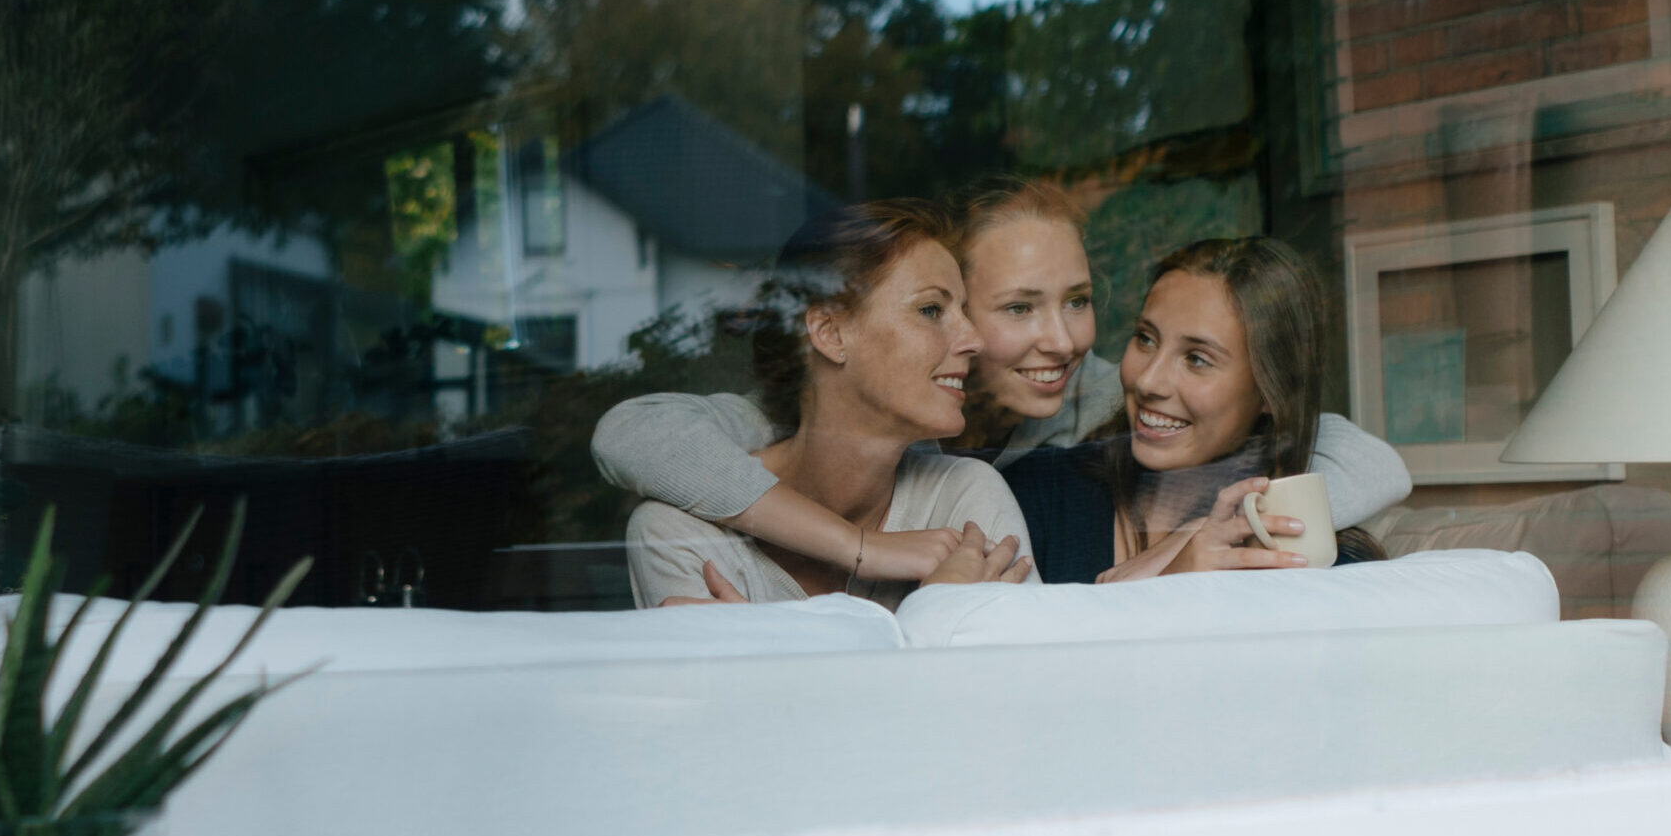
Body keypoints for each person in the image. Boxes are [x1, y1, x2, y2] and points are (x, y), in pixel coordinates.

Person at [592, 178, 1412, 581]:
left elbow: (1351, 451)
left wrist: (1251, 536)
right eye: (1016, 308)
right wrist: (865, 549)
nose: (1060, 340)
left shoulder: (1092, 400)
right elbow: (635, 437)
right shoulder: (789, 415)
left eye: (1082, 303)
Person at [625, 199, 1038, 609]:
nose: (973, 340)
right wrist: (937, 612)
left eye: (962, 312)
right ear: (830, 333)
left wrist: (765, 649)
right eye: (931, 309)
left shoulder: (964, 498)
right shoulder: (680, 535)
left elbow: (1017, 674)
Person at [1003, 237, 1393, 585]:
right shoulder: (1036, 494)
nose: (1149, 381)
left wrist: (1179, 567)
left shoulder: (1308, 558)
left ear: (1270, 393)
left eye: (1197, 359)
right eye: (1145, 338)